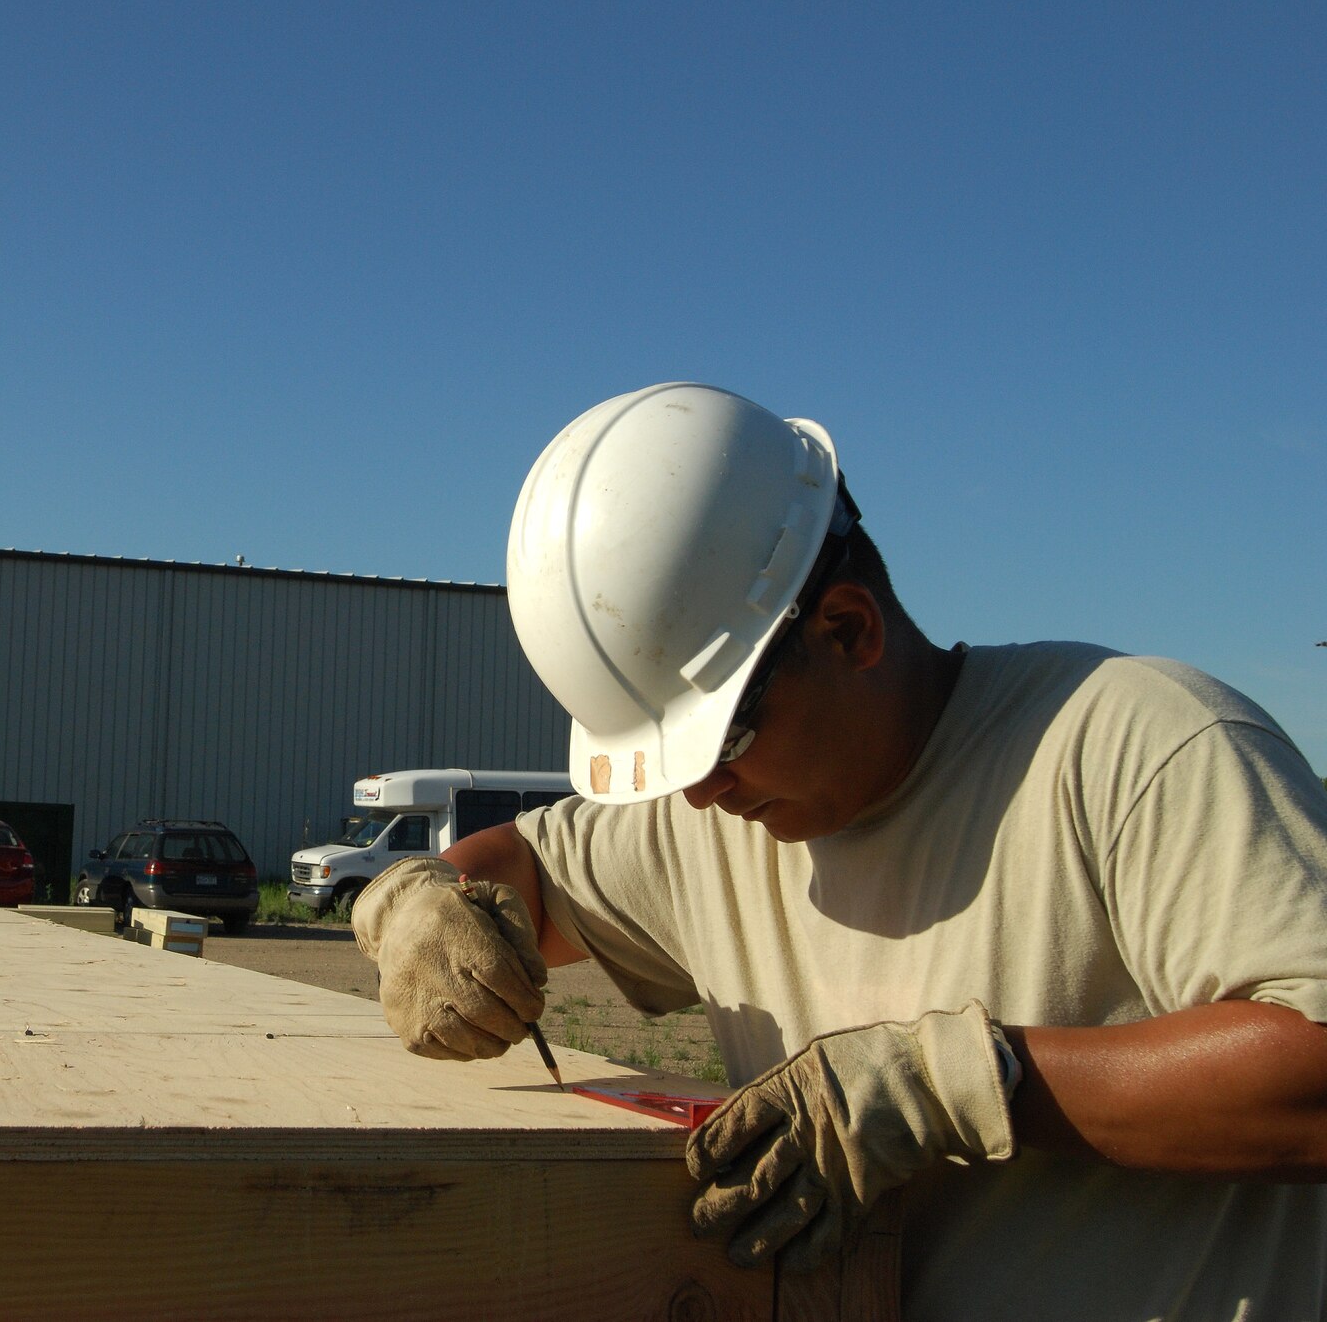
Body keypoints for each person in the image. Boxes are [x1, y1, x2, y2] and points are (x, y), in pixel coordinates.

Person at [353, 383, 1327, 1320]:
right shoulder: (712, 824)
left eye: (718, 744)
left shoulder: (1134, 746)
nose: (698, 791)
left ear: (847, 628)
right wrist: (415, 902)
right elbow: (515, 870)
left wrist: (950, 1083)